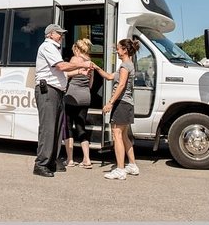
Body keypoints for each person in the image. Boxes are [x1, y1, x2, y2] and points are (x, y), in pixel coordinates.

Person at [33, 24, 93, 177]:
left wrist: (79, 71)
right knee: (48, 128)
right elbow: (61, 67)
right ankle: (41, 164)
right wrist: (82, 63)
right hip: (48, 91)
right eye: (59, 33)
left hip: (57, 91)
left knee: (57, 129)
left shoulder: (54, 48)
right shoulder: (47, 47)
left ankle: (51, 161)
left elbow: (62, 72)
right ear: (51, 34)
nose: (62, 36)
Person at [92, 38, 141, 180]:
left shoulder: (125, 66)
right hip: (127, 103)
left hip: (122, 103)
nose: (117, 50)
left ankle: (120, 169)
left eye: (118, 48)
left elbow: (121, 85)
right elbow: (109, 77)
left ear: (124, 50)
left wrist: (110, 103)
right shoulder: (126, 65)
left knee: (117, 135)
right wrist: (96, 67)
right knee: (124, 136)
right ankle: (132, 165)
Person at [63, 38, 94, 169]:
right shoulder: (90, 63)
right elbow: (91, 84)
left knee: (69, 127)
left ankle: (70, 159)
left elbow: (66, 74)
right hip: (85, 96)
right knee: (81, 127)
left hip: (72, 96)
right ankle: (86, 159)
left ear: (77, 49)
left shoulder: (74, 60)